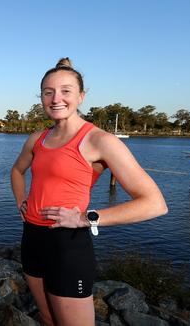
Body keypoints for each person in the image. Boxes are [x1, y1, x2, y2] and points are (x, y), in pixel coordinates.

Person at [10, 58, 168, 326]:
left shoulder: (100, 141)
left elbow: (154, 204)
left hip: (68, 243)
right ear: (41, 98)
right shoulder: (37, 138)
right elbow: (16, 171)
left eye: (66, 91)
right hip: (32, 238)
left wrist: (86, 218)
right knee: (48, 319)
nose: (56, 98)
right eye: (48, 92)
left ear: (81, 96)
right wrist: (21, 202)